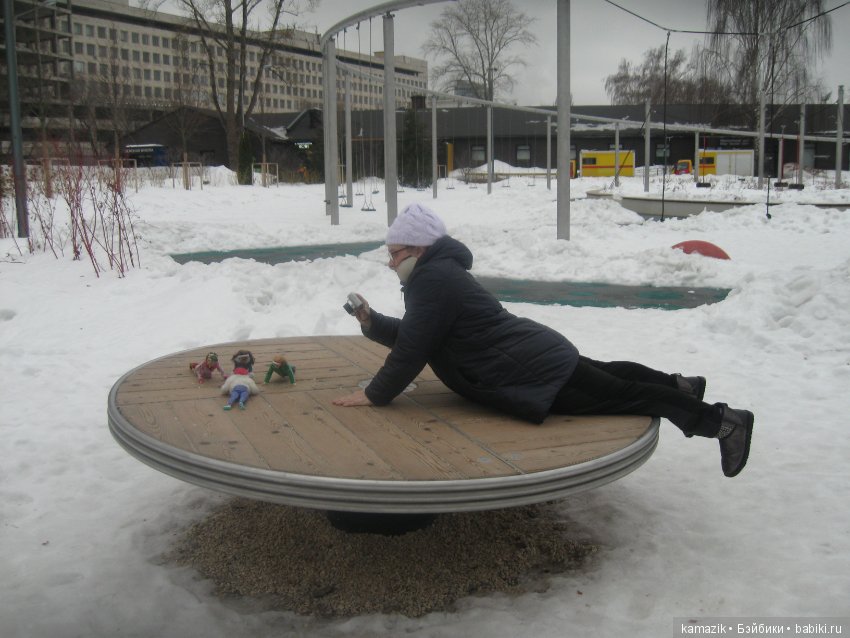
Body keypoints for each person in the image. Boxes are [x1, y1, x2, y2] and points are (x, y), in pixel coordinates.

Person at [333, 203, 754, 477]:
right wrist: (372, 322)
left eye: (395, 253)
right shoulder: (436, 276)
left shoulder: (433, 280)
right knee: (609, 377)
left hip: (532, 369)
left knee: (626, 395)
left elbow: (412, 350)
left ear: (420, 250)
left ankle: (722, 422)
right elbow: (419, 335)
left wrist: (375, 394)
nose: (390, 263)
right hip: (534, 356)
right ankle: (682, 385)